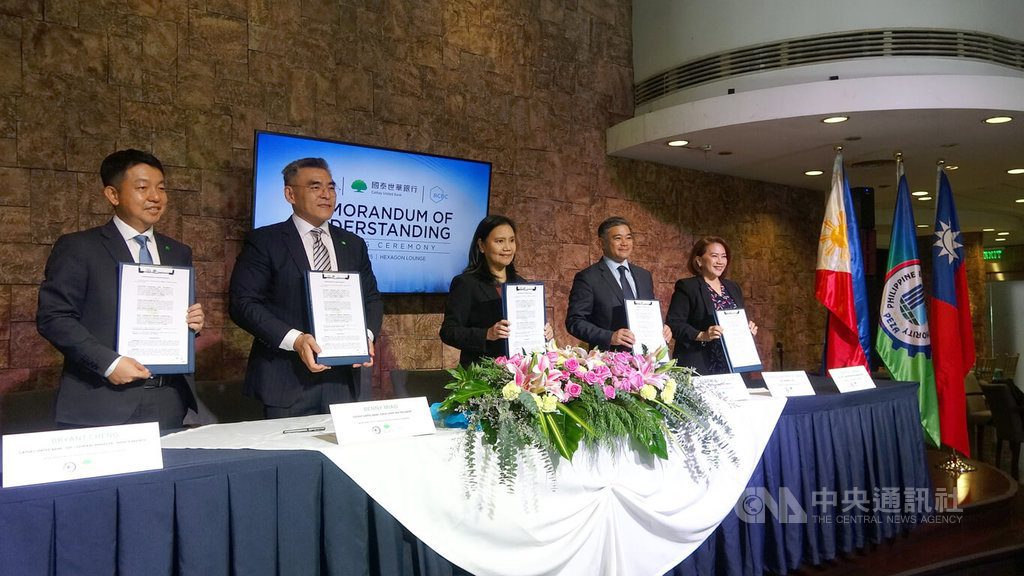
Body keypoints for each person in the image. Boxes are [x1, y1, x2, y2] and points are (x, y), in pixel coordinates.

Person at [37, 149, 205, 430]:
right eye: (142, 188)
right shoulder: (79, 247)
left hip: (167, 399)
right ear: (113, 195)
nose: (156, 197)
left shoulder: (177, 251)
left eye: (161, 188)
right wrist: (109, 364)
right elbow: (54, 317)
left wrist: (192, 323)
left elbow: (173, 317)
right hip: (101, 401)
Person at [229, 157, 383, 418]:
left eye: (331, 187)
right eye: (315, 187)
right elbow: (243, 304)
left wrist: (365, 336)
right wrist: (297, 340)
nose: (326, 194)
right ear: (290, 194)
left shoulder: (353, 244)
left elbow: (371, 298)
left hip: (342, 383)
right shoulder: (265, 241)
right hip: (285, 382)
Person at [440, 215, 553, 367]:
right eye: (500, 241)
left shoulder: (522, 284)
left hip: (518, 372)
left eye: (511, 240)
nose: (507, 247)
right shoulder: (466, 283)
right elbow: (448, 332)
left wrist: (544, 332)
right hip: (481, 373)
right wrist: (487, 334)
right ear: (482, 245)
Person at [565, 216, 671, 351]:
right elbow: (574, 321)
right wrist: (609, 337)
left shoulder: (644, 276)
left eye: (628, 238)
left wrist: (661, 328)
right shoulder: (588, 278)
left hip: (645, 357)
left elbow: (646, 313)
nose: (624, 243)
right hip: (607, 357)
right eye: (617, 238)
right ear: (601, 243)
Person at [666, 236, 757, 375]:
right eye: (714, 256)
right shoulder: (687, 287)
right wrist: (702, 335)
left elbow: (738, 319)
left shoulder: (733, 287)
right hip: (701, 364)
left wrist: (748, 328)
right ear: (699, 260)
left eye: (723, 256)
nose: (720, 261)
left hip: (733, 365)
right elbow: (675, 324)